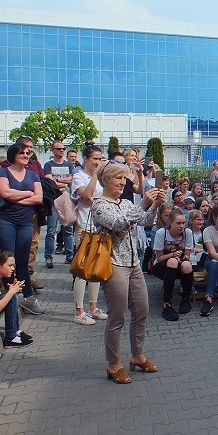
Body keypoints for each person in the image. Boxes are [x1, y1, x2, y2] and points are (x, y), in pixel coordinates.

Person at [90, 162, 164, 384]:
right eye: (118, 178)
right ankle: (113, 364)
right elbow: (119, 224)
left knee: (142, 310)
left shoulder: (125, 202)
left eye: (124, 178)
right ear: (105, 180)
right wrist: (144, 202)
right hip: (114, 264)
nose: (123, 183)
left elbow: (143, 221)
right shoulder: (99, 205)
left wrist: (155, 205)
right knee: (117, 317)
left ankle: (137, 355)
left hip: (134, 264)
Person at [0, 143, 45, 315]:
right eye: (21, 152)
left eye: (28, 153)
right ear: (13, 155)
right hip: (6, 221)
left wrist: (16, 198)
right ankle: (9, 299)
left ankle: (28, 298)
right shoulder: (2, 172)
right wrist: (28, 194)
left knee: (22, 261)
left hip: (25, 223)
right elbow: (5, 193)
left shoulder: (33, 175)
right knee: (8, 260)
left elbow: (38, 198)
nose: (26, 155)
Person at [69, 145, 108, 325]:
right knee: (82, 269)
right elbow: (86, 195)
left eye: (100, 158)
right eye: (95, 159)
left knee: (95, 269)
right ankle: (79, 311)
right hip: (84, 226)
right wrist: (95, 175)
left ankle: (93, 307)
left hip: (99, 227)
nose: (98, 162)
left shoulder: (101, 177)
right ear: (85, 159)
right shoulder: (79, 176)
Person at [0, 251, 33, 348]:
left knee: (11, 296)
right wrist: (11, 292)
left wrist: (11, 291)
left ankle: (15, 331)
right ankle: (11, 337)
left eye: (13, 266)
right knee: (11, 296)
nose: (13, 269)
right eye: (10, 265)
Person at [152, 208, 194, 321]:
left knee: (187, 265)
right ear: (170, 222)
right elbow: (159, 258)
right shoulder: (161, 233)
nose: (182, 226)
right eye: (178, 223)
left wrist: (182, 257)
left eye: (183, 223)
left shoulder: (188, 233)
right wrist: (173, 255)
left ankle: (186, 299)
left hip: (180, 263)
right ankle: (167, 304)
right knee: (172, 261)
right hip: (162, 266)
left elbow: (187, 255)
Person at [43, 140, 75, 269]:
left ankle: (70, 255)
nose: (61, 150)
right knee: (51, 231)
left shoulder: (69, 165)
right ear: (53, 150)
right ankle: (48, 257)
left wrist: (57, 180)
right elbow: (49, 181)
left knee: (68, 230)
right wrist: (64, 181)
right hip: (53, 200)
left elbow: (73, 179)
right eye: (58, 149)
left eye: (63, 148)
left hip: (67, 200)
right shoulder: (48, 165)